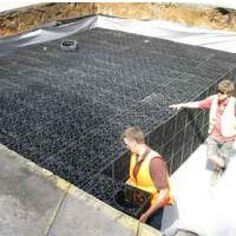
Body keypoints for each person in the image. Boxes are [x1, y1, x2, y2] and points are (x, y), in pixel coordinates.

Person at [169, 79, 236, 183]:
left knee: (222, 155)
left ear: (229, 94)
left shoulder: (234, 103)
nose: (219, 94)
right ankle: (223, 165)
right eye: (218, 91)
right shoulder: (213, 99)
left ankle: (218, 171)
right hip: (213, 134)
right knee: (211, 155)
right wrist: (181, 104)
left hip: (229, 137)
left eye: (222, 93)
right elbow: (198, 104)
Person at [122, 126, 173, 229]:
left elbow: (164, 193)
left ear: (133, 142)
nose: (126, 147)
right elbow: (135, 178)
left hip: (153, 210)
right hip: (141, 202)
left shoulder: (155, 162)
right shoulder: (135, 155)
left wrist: (147, 214)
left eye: (127, 144)